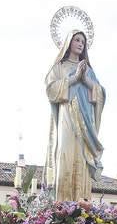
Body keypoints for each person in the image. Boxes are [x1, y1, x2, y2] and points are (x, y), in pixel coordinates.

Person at [44, 31, 105, 202]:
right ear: (69, 42)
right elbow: (50, 90)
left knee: (82, 158)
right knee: (65, 154)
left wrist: (85, 79)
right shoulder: (59, 67)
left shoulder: (89, 71)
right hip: (66, 116)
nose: (80, 44)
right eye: (77, 40)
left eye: (83, 42)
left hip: (86, 122)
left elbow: (100, 93)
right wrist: (74, 79)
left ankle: (82, 201)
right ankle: (62, 204)